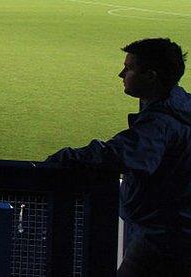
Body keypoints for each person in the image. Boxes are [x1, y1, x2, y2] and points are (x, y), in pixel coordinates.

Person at [46, 38, 191, 276]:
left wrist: (66, 157)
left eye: (130, 68)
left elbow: (119, 155)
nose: (121, 73)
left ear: (151, 76)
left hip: (164, 238)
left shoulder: (160, 124)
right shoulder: (179, 105)